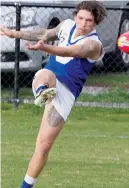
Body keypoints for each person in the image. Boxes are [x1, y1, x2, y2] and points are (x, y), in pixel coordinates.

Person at [1, 1, 107, 187]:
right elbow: (43, 33)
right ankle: (42, 92)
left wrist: (44, 48)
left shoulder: (93, 45)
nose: (83, 23)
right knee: (45, 74)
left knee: (43, 146)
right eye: (80, 18)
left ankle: (26, 186)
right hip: (50, 78)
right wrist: (14, 34)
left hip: (66, 93)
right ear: (75, 16)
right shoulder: (66, 25)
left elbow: (69, 51)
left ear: (95, 22)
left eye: (88, 21)